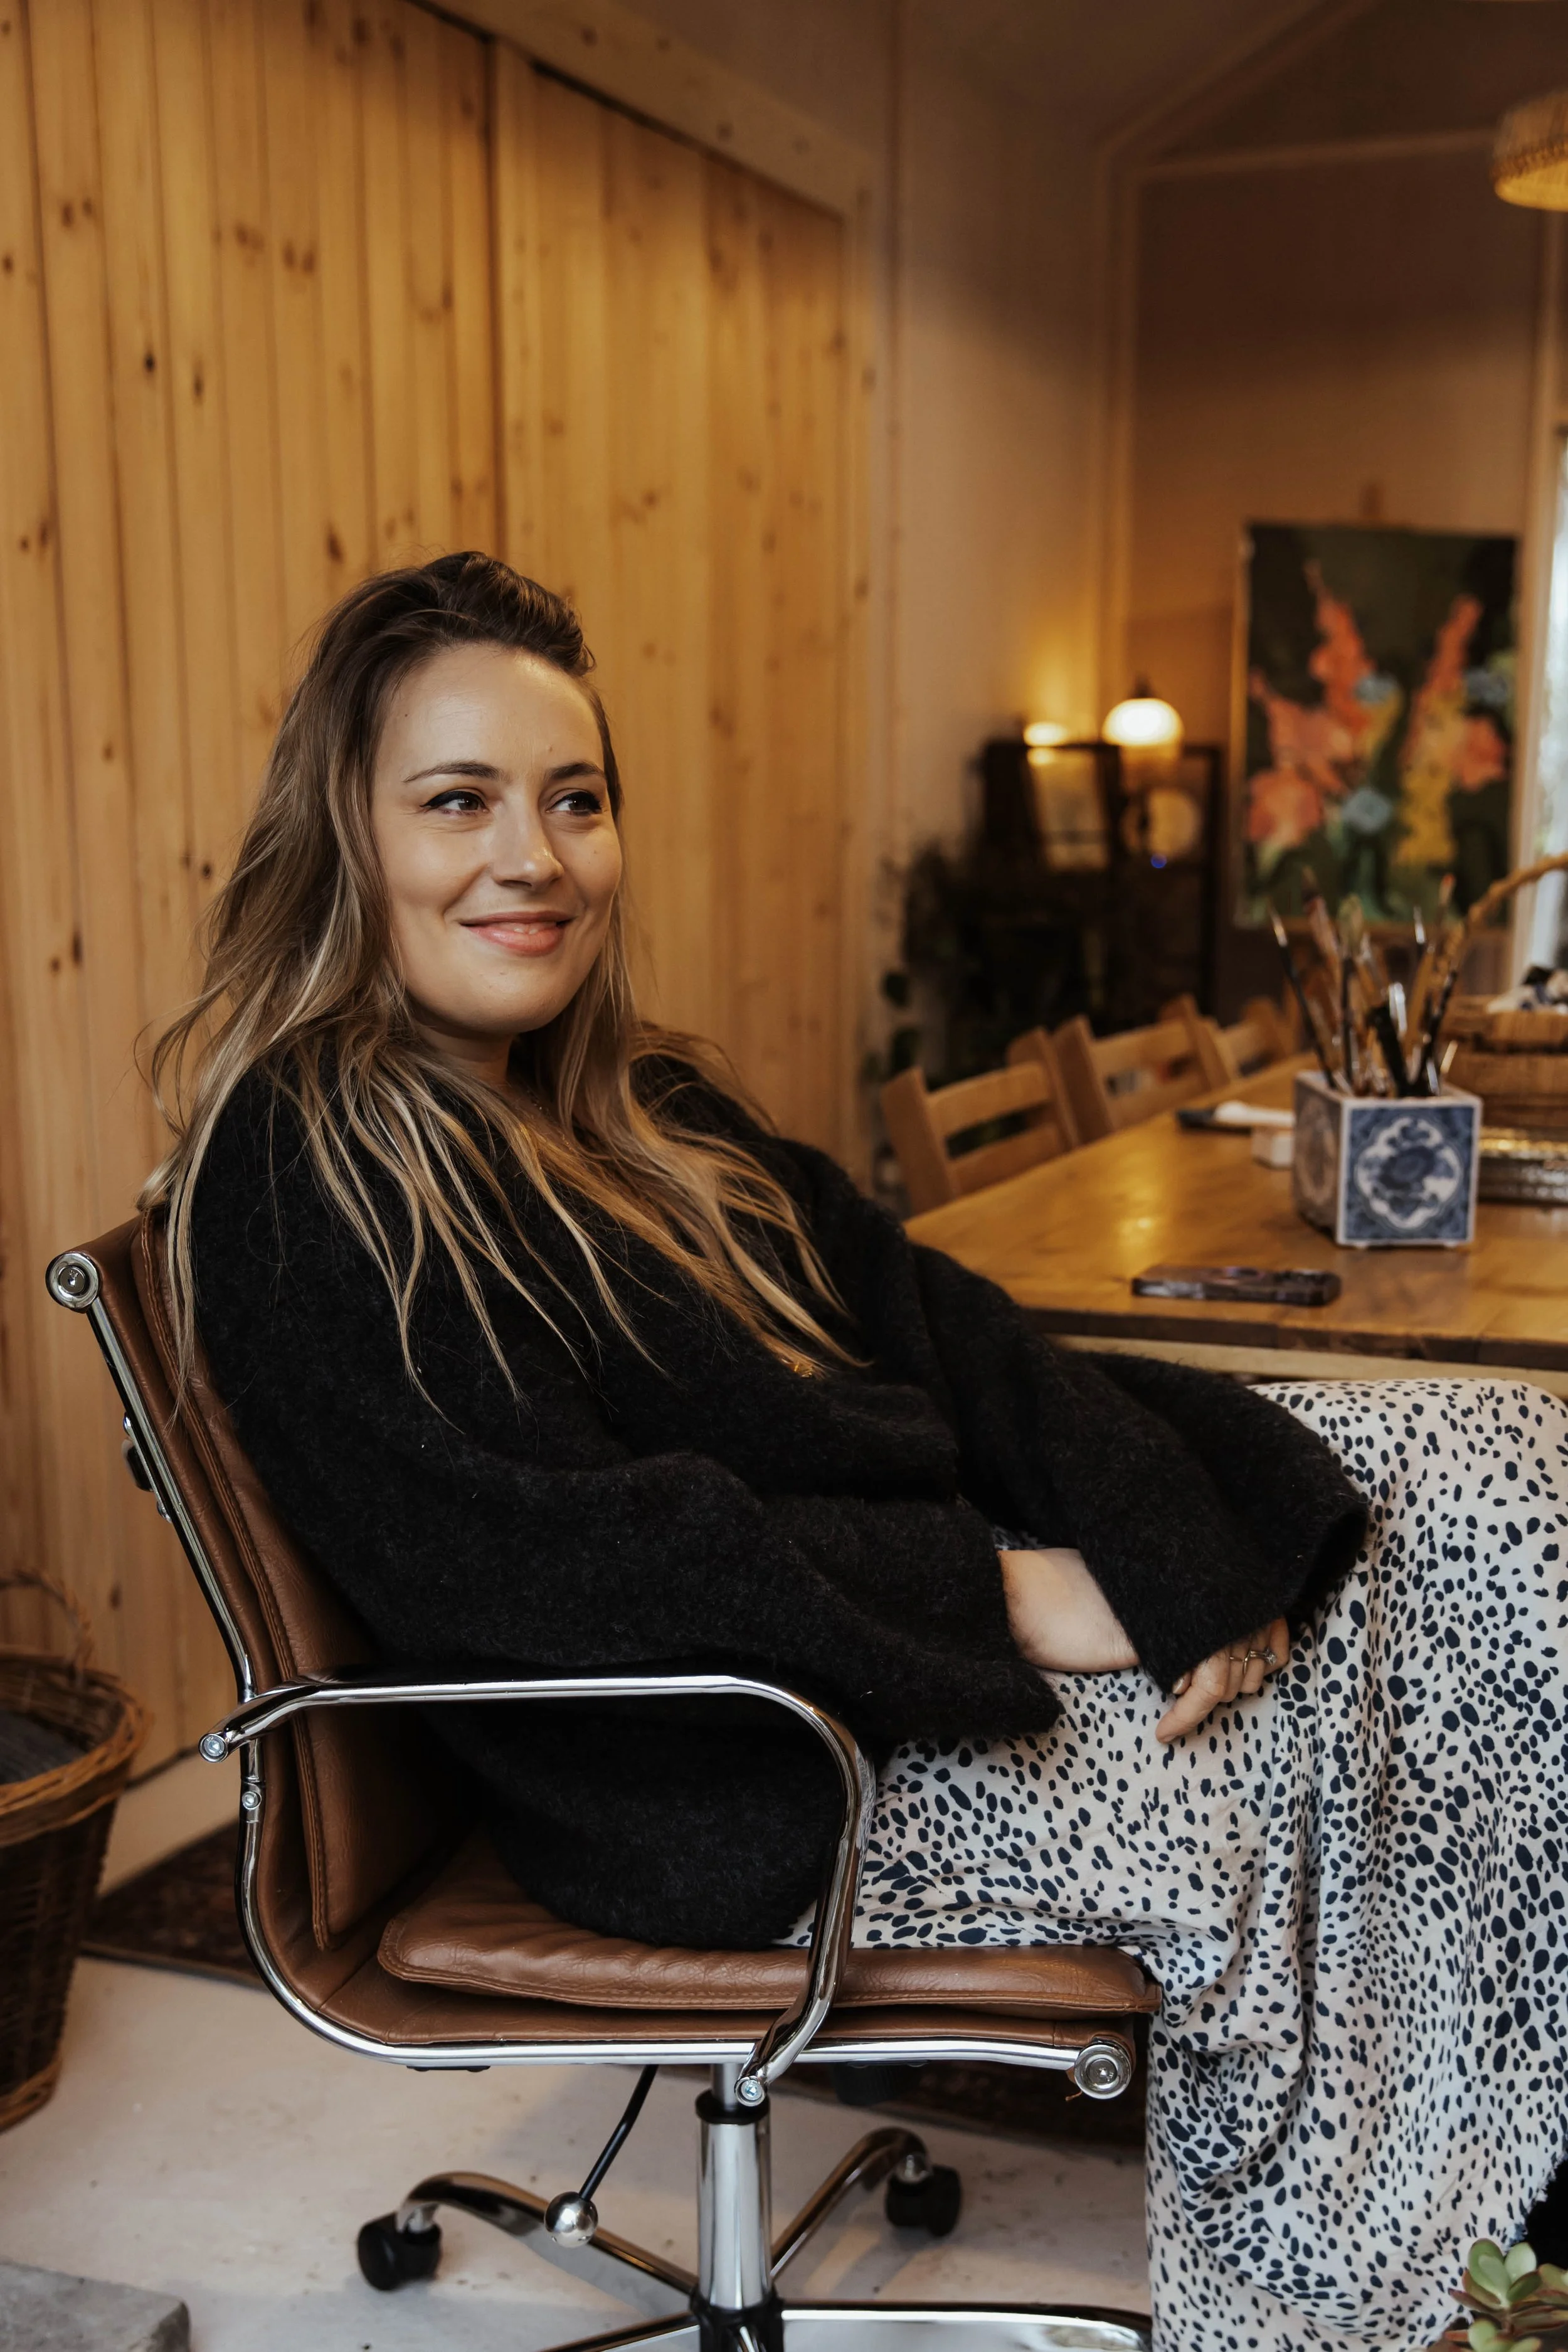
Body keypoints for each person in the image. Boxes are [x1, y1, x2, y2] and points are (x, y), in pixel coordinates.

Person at [145, 554, 1567, 2352]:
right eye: (459, 801)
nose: (535, 855)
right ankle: (1381, 2285)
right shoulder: (306, 1171)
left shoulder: (637, 1104)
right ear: (344, 836)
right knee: (1338, 1721)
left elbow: (937, 1324)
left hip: (859, 1647)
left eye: (573, 799)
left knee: (1493, 1459)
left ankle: (1510, 2201)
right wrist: (1014, 1590)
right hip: (724, 1768)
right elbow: (573, 1558)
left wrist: (1160, 1532)